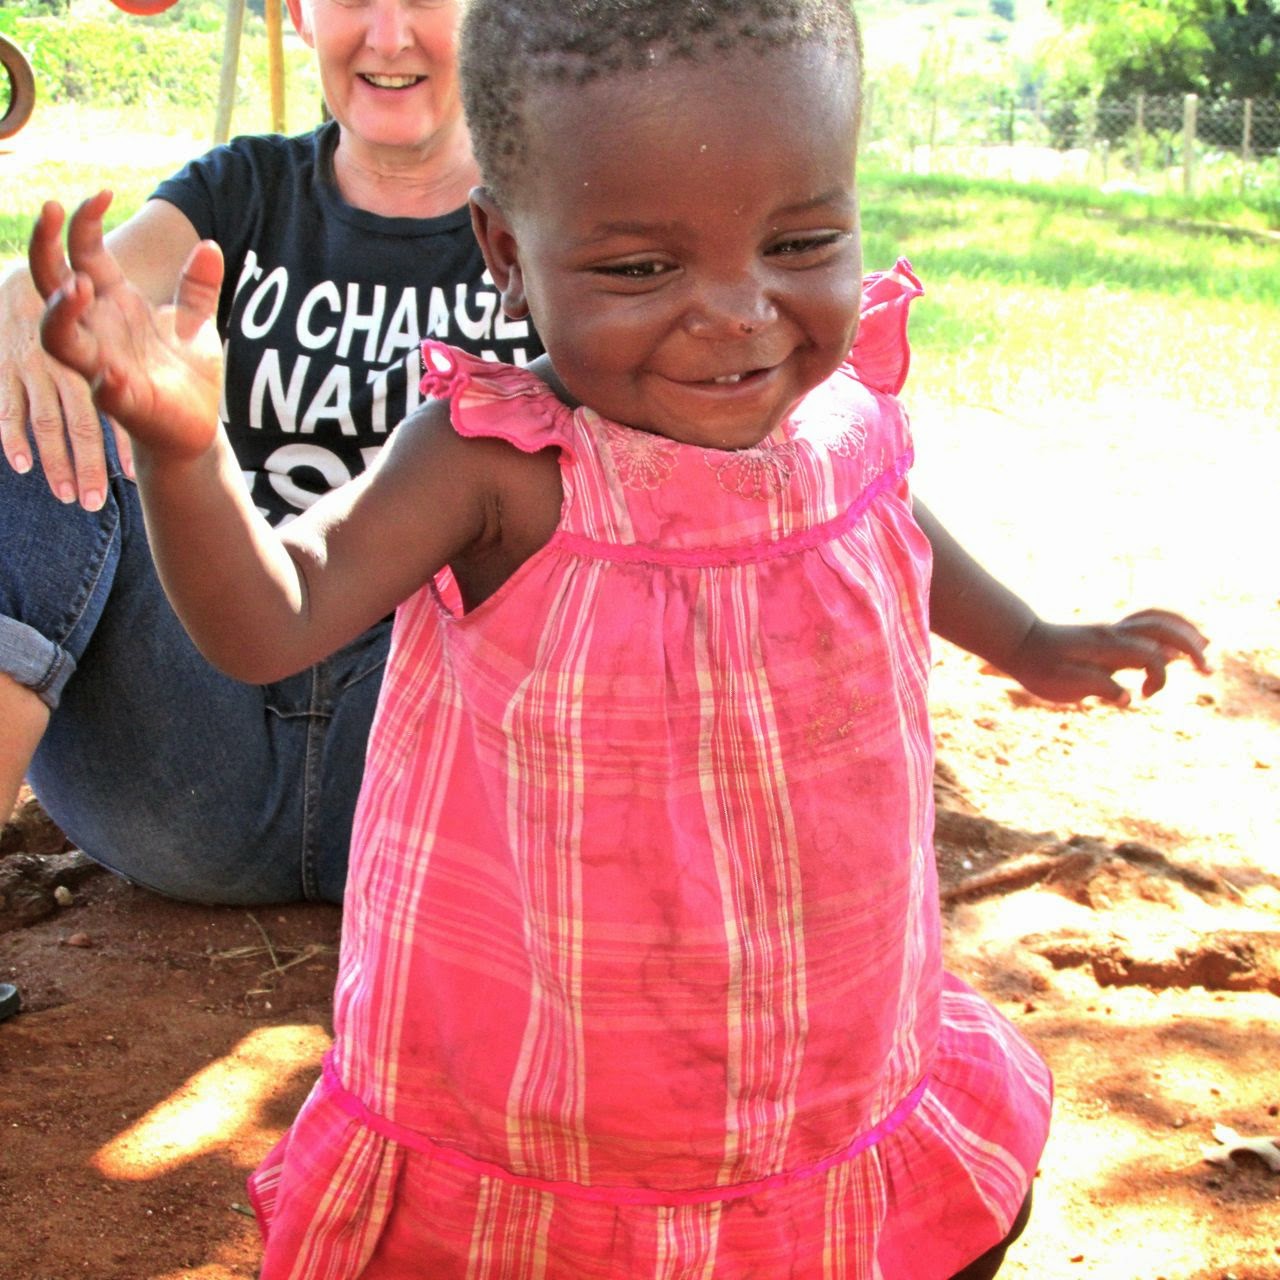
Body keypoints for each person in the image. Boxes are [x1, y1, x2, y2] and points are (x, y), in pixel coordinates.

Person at [32, 0, 1211, 1274]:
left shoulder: (835, 411)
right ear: (504, 249)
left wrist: (1027, 637)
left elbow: (884, 512)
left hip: (830, 1031)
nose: (739, 313)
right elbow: (269, 624)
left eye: (800, 240)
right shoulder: (497, 465)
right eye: (642, 268)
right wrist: (185, 453)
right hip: (565, 1079)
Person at [0, 0, 540, 905]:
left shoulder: (560, 217)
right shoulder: (239, 190)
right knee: (42, 390)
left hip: (436, 753)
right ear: (299, 14)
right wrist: (27, 299)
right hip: (187, 743)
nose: (389, 36)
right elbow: (91, 299)